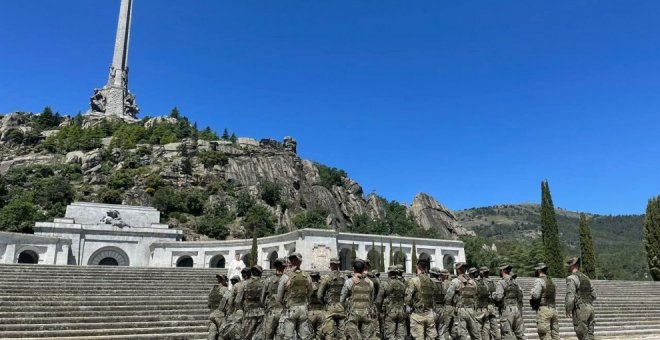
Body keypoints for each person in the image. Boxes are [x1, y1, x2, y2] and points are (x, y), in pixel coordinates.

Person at [277, 252, 313, 340]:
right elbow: (310, 292)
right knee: (304, 337)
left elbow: (279, 297)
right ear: (300, 262)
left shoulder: (286, 276)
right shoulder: (307, 276)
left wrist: (283, 304)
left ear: (291, 261)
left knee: (288, 336)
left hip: (290, 309)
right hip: (303, 308)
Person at [341, 258, 377, 340]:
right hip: (366, 313)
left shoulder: (349, 282)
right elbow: (372, 298)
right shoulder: (370, 282)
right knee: (367, 337)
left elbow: (342, 299)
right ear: (363, 269)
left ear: (353, 268)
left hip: (353, 313)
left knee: (352, 336)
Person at [445, 262, 481, 340]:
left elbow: (448, 298)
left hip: (461, 310)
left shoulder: (455, 281)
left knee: (461, 335)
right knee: (475, 333)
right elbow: (476, 295)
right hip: (471, 309)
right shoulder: (472, 282)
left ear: (457, 270)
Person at [565, 257, 596, 340]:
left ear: (573, 265)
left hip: (580, 309)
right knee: (590, 335)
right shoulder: (586, 278)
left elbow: (570, 296)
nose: (567, 267)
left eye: (569, 265)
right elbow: (594, 295)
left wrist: (568, 309)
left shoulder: (571, 278)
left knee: (583, 336)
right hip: (590, 308)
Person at [405, 258, 437, 340]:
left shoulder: (414, 280)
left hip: (418, 315)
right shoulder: (431, 281)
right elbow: (433, 298)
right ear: (426, 268)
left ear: (417, 267)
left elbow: (407, 299)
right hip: (430, 314)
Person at [493, 265, 525, 340]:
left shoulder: (501, 282)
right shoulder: (515, 282)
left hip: (507, 310)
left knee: (507, 334)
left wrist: (493, 295)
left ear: (502, 271)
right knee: (520, 334)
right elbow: (521, 294)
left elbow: (499, 297)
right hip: (516, 309)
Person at [318, 257, 347, 340]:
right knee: (342, 334)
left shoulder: (327, 278)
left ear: (331, 265)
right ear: (338, 265)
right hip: (342, 307)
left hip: (330, 307)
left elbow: (319, 295)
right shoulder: (344, 278)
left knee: (329, 333)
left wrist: (324, 304)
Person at [529, 263, 559, 340]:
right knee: (555, 335)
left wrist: (532, 292)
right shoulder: (552, 281)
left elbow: (536, 296)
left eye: (536, 270)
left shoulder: (539, 280)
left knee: (545, 335)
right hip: (554, 309)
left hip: (544, 310)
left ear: (539, 270)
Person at [235, 265, 266, 339]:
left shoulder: (245, 283)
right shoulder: (265, 283)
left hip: (248, 313)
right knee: (259, 336)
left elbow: (238, 301)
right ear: (261, 273)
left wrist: (243, 308)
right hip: (261, 313)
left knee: (246, 336)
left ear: (251, 272)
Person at [377, 266, 408, 340]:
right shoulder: (403, 284)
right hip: (401, 312)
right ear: (397, 274)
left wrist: (379, 311)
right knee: (401, 335)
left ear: (389, 273)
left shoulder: (385, 284)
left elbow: (379, 300)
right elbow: (407, 299)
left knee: (390, 335)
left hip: (390, 312)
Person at [263, 258, 287, 340]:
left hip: (271, 311)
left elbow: (262, 297)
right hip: (283, 311)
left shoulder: (268, 279)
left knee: (268, 335)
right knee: (280, 336)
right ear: (284, 267)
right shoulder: (287, 279)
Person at [479, 267, 500, 340]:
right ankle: (497, 337)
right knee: (494, 325)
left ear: (482, 273)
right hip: (492, 306)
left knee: (485, 326)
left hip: (484, 306)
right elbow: (495, 295)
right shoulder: (492, 282)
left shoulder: (480, 282)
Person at [473, 267, 491, 340]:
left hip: (478, 309)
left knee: (478, 329)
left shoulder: (473, 283)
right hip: (485, 308)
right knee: (486, 329)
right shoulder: (486, 283)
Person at [208, 274, 229, 340]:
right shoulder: (225, 290)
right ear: (224, 280)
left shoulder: (212, 290)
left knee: (211, 334)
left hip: (212, 315)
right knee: (222, 335)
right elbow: (229, 302)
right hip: (221, 315)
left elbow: (209, 304)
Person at [307, 271, 325, 338]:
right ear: (318, 277)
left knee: (310, 334)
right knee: (319, 335)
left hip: (311, 311)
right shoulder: (322, 286)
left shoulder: (308, 286)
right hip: (321, 311)